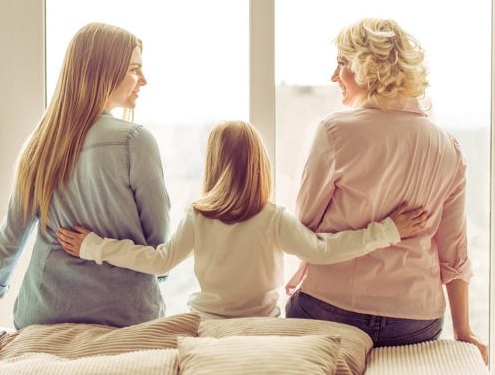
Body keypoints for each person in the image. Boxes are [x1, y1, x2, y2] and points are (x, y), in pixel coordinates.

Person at [0, 23, 170, 330]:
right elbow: (158, 245)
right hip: (127, 316)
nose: (143, 80)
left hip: (44, 315)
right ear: (104, 72)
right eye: (134, 69)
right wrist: (158, 275)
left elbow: (10, 235)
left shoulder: (40, 146)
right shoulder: (136, 141)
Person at [56, 120, 427, 319]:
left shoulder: (198, 217)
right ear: (259, 166)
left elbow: (158, 260)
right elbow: (324, 250)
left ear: (213, 166)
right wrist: (389, 230)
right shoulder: (273, 219)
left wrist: (94, 246)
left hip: (206, 324)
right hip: (262, 325)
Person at [284, 18, 488, 363]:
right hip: (415, 322)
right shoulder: (448, 147)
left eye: (342, 63)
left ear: (367, 66)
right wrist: (463, 330)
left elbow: (305, 224)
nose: (334, 77)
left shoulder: (334, 131)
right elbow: (453, 254)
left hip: (330, 309)